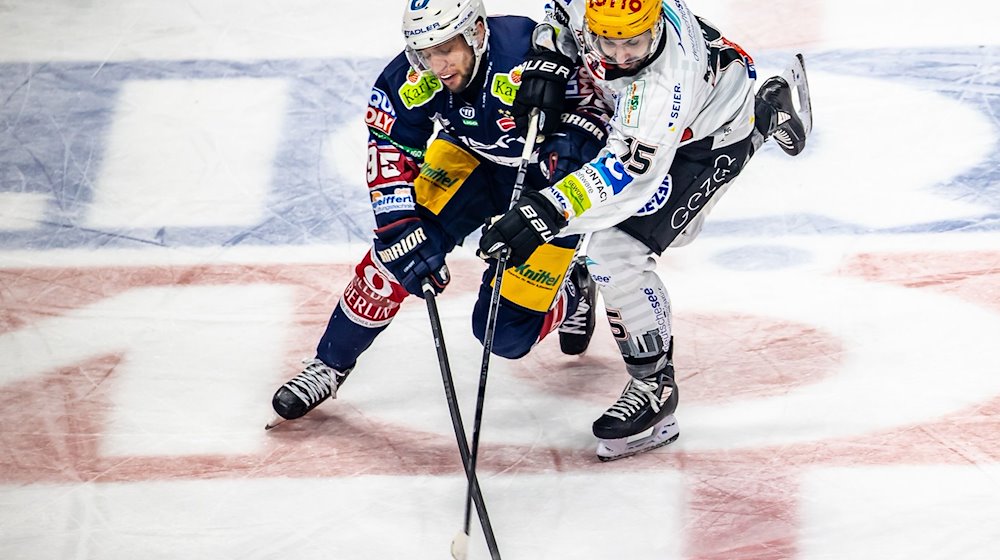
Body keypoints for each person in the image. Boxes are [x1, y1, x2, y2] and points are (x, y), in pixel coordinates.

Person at [479, 0, 813, 460]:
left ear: (654, 28)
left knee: (618, 252)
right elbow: (557, 14)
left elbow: (624, 172)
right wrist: (551, 54)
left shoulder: (663, 85)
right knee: (570, 185)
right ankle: (579, 281)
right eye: (607, 42)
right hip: (633, 110)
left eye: (633, 42)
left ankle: (655, 387)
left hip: (703, 133)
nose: (619, 56)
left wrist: (540, 215)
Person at [266, 0, 611, 428]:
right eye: (426, 53)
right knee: (394, 257)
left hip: (548, 188)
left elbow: (601, 102)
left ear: (478, 32)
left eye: (447, 48)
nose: (438, 65)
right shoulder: (410, 79)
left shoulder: (529, 48)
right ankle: (330, 363)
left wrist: (574, 143)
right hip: (471, 160)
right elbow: (388, 153)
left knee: (502, 336)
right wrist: (400, 228)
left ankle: (573, 291)